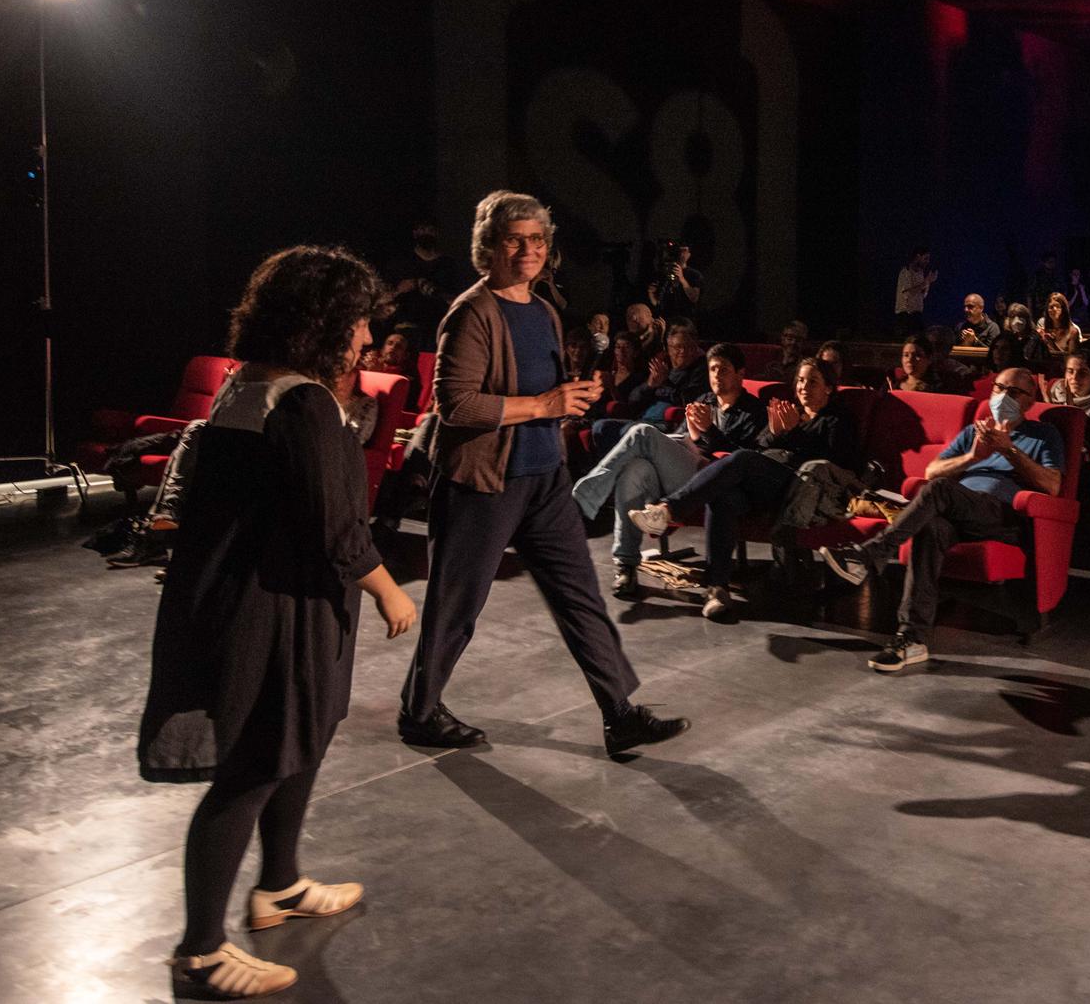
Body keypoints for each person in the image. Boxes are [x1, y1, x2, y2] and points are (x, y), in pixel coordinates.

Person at [140, 245, 419, 998]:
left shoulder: (245, 388)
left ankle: (281, 884)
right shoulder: (301, 403)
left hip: (260, 600)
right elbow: (336, 525)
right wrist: (391, 590)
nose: (366, 338)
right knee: (255, 764)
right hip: (276, 612)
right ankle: (200, 951)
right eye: (359, 321)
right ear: (324, 322)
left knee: (301, 736)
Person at [398, 190, 688, 757]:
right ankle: (420, 712)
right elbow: (456, 405)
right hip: (484, 484)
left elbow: (548, 395)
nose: (529, 250)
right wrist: (547, 405)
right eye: (515, 239)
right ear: (490, 247)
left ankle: (619, 713)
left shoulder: (545, 311)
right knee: (457, 606)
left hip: (544, 479)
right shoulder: (471, 314)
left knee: (581, 597)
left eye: (537, 240)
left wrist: (575, 399)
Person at [818, 368, 1063, 672]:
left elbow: (1052, 486)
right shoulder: (975, 432)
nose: (1003, 397)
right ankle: (912, 638)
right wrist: (972, 458)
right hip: (958, 508)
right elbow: (932, 471)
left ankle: (868, 555)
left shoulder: (1043, 434)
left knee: (939, 490)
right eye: (998, 389)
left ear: (1031, 400)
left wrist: (1008, 449)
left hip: (1002, 513)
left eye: (1013, 393)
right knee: (930, 527)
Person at [629, 357, 861, 621]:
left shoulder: (837, 419)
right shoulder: (789, 411)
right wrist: (775, 431)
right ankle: (718, 590)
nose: (803, 386)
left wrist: (792, 433)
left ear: (829, 388)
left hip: (800, 487)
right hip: (765, 484)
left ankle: (668, 510)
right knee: (723, 497)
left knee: (742, 459)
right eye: (800, 380)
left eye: (812, 381)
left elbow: (832, 462)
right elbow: (759, 444)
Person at [572, 342, 767, 599]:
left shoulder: (753, 411)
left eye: (724, 370)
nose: (717, 376)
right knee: (634, 471)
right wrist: (691, 436)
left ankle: (585, 496)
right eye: (712, 369)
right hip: (683, 471)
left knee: (641, 432)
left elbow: (744, 461)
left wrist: (709, 431)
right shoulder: (704, 401)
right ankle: (626, 564)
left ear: (740, 374)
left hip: (710, 482)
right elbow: (685, 440)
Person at [589, 324, 707, 449]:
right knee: (600, 426)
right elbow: (633, 400)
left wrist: (666, 382)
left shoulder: (699, 370)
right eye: (677, 347)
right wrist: (650, 385)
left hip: (667, 424)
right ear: (669, 349)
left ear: (695, 348)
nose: (682, 351)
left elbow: (689, 401)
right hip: (643, 419)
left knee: (627, 431)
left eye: (687, 347)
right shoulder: (662, 368)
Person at [382, 222, 462, 350]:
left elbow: (457, 299)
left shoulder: (447, 265)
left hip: (435, 330)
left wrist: (436, 292)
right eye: (422, 229)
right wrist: (400, 289)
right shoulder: (401, 262)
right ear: (415, 233)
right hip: (405, 328)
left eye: (430, 229)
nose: (426, 233)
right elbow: (382, 298)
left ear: (437, 233)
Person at [1042, 349, 1090, 451]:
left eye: (1082, 373)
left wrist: (1071, 411)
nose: (1074, 378)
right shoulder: (1051, 394)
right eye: (1070, 371)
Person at [651, 240, 703, 323]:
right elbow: (660, 303)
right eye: (679, 250)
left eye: (684, 250)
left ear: (689, 254)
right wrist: (652, 295)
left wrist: (682, 278)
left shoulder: (695, 275)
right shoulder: (665, 272)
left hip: (685, 321)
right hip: (666, 320)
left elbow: (694, 298)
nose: (681, 253)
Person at [894, 247, 939, 336]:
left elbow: (922, 295)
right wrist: (927, 281)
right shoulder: (906, 271)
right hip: (906, 315)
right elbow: (908, 293)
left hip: (916, 314)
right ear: (918, 257)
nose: (927, 261)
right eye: (925, 258)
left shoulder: (920, 273)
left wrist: (928, 282)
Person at [1035, 291, 1083, 358]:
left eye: (1058, 306)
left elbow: (1071, 359)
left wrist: (1051, 343)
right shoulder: (1044, 330)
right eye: (1051, 307)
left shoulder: (1073, 332)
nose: (1054, 309)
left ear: (1064, 309)